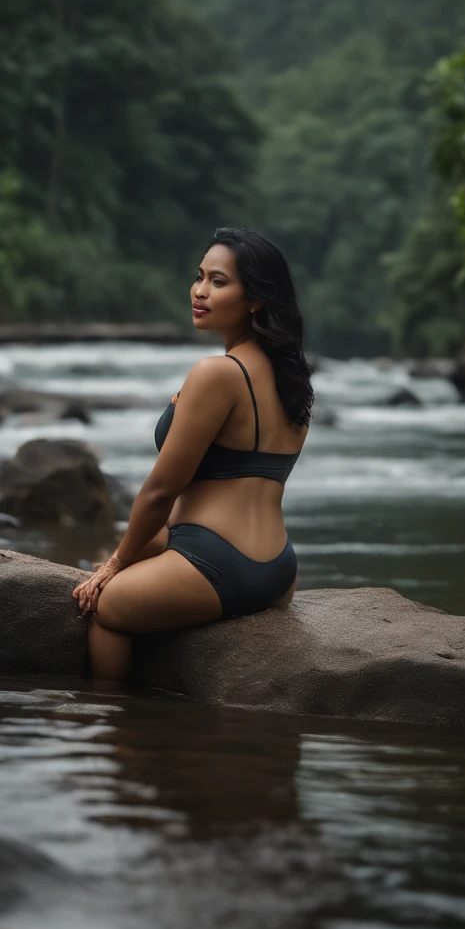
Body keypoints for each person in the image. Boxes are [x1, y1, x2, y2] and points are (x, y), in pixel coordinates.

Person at [74, 226, 313, 680]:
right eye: (200, 276)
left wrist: (117, 567)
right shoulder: (291, 376)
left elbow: (162, 490)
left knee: (104, 606)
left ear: (256, 298)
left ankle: (115, 731)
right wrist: (123, 555)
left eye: (219, 282)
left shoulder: (217, 373)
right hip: (277, 564)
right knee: (113, 556)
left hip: (219, 561)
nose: (200, 291)